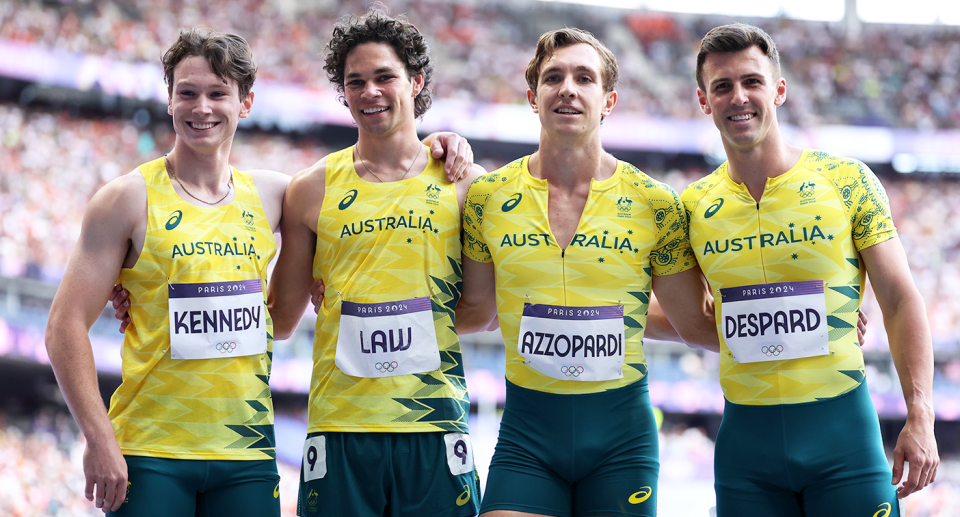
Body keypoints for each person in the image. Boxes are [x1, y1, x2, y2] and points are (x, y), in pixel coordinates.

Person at [455, 28, 718, 517]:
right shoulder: (488, 198)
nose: (568, 88)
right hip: (526, 439)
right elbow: (475, 311)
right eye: (553, 77)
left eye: (584, 77)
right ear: (533, 97)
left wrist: (820, 320)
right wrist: (360, 305)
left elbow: (696, 323)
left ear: (608, 100)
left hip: (622, 444)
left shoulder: (655, 203)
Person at [683, 23, 939, 516]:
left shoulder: (847, 181)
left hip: (845, 442)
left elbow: (901, 298)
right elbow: (678, 313)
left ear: (778, 90)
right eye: (722, 86)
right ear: (703, 100)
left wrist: (920, 413)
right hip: (745, 454)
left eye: (752, 81)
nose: (739, 97)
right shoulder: (691, 206)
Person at [44, 28, 290, 516]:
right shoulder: (126, 199)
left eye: (218, 93)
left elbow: (369, 178)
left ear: (245, 102)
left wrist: (446, 148)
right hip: (150, 452)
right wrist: (98, 438)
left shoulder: (276, 195)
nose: (202, 108)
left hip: (247, 453)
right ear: (170, 99)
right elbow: (63, 325)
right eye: (188, 93)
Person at [265, 9, 484, 517]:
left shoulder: (465, 182)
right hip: (340, 426)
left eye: (385, 76)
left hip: (433, 424)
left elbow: (481, 310)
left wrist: (405, 319)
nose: (370, 92)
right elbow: (278, 319)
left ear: (416, 80)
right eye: (355, 82)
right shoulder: (310, 189)